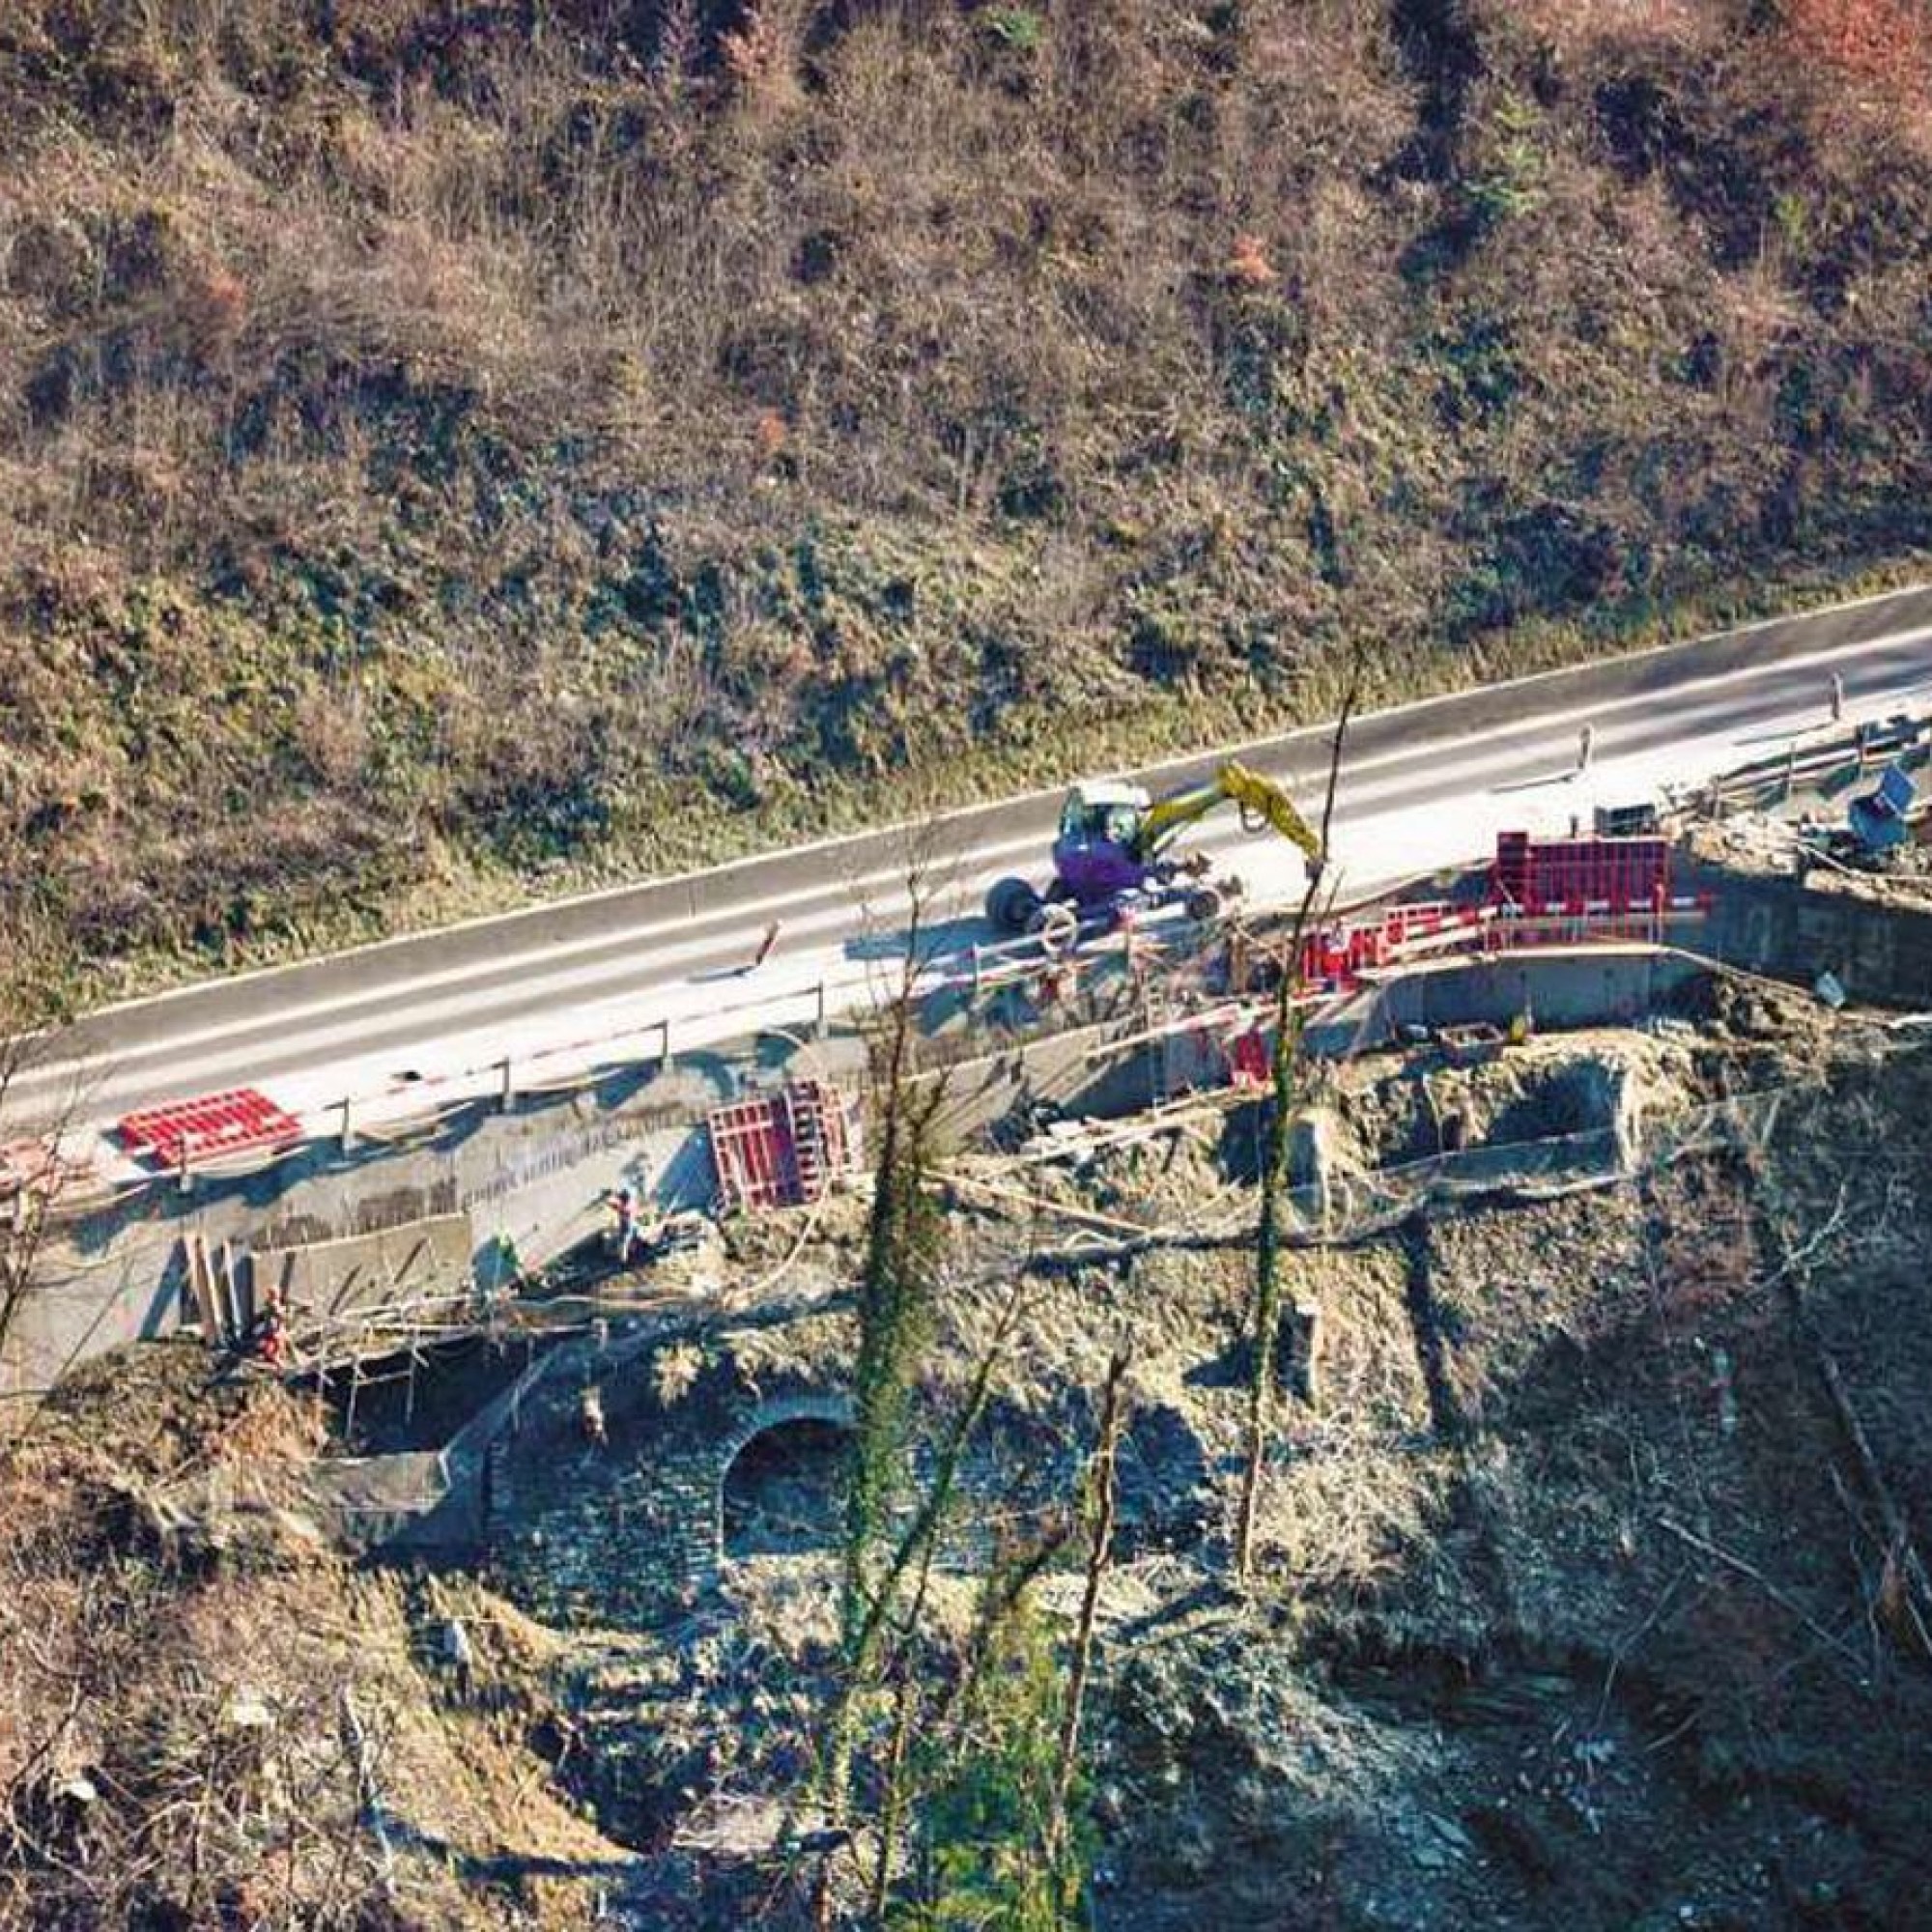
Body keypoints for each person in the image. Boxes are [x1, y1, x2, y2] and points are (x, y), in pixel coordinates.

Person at [604, 1186, 641, 1265]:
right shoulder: (632, 1203)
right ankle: (630, 1252)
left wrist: (609, 1200)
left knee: (623, 1244)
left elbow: (615, 1205)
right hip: (633, 1224)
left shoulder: (624, 1207)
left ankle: (623, 1261)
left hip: (626, 1227)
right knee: (631, 1238)